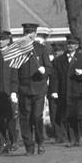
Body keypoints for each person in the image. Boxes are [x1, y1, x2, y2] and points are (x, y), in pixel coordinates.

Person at [14, 22, 52, 155]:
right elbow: (14, 72)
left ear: (35, 34)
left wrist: (44, 71)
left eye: (31, 33)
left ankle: (40, 142)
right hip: (24, 89)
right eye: (25, 33)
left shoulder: (41, 49)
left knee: (37, 116)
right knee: (25, 119)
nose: (28, 36)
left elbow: (49, 69)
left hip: (39, 88)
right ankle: (29, 146)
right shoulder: (18, 50)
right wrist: (14, 90)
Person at [59, 34, 82, 147]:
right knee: (69, 117)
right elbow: (55, 77)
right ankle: (72, 139)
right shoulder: (60, 59)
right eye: (68, 43)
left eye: (72, 44)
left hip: (79, 93)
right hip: (66, 92)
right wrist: (54, 91)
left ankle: (80, 136)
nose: (70, 46)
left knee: (80, 116)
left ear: (77, 46)